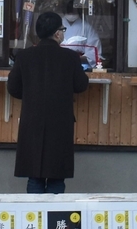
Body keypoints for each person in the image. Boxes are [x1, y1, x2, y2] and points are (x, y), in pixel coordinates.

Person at [8, 11, 90, 194]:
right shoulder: (70, 58)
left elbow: (13, 88)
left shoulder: (24, 57)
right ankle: (55, 220)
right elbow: (81, 85)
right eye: (62, 29)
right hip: (60, 122)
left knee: (34, 175)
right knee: (56, 176)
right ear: (57, 33)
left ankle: (34, 218)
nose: (63, 33)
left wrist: (31, 95)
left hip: (32, 120)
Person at [58, 2, 103, 67]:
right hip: (58, 62)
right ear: (64, 10)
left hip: (80, 64)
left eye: (73, 11)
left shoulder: (86, 27)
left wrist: (75, 58)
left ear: (79, 10)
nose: (71, 13)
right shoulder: (57, 25)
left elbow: (94, 52)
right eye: (69, 10)